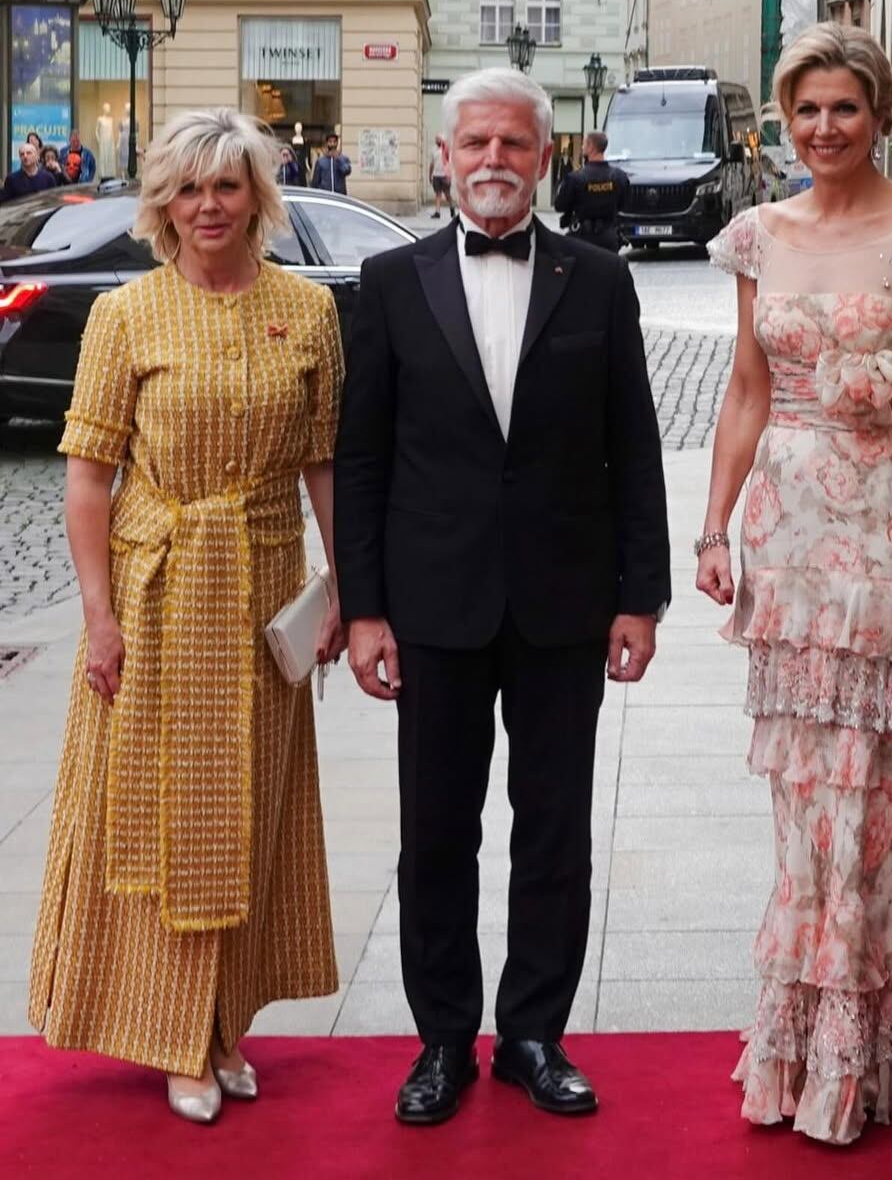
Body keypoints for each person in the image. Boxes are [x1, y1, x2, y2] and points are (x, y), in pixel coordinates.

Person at [335, 66, 670, 1126]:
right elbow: (363, 459)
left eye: (514, 144)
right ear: (445, 156)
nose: (493, 161)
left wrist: (642, 595)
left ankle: (532, 1030)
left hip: (566, 601)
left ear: (545, 156)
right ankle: (442, 1037)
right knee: (436, 830)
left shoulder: (599, 280)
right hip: (432, 603)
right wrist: (364, 608)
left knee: (554, 825)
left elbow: (636, 448)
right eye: (474, 143)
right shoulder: (390, 282)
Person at [699, 23, 892, 1145]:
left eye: (844, 107)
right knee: (803, 790)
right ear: (784, 120)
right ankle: (803, 1036)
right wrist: (713, 526)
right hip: (789, 524)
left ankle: (883, 1047)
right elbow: (743, 387)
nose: (823, 128)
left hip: (891, 523)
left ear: (877, 111)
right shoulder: (754, 235)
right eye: (805, 110)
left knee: (877, 788)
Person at [28, 107, 347, 1125]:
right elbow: (86, 479)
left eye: (226, 184)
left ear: (258, 194)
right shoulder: (126, 314)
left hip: (260, 588)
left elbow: (325, 464)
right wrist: (99, 614)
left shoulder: (308, 309)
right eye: (187, 187)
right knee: (159, 819)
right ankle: (170, 1032)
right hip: (157, 590)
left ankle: (221, 1022)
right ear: (163, 202)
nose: (208, 204)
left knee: (247, 812)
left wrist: (344, 589)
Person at [553, 131, 629, 253]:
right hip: (609, 238)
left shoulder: (575, 178)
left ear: (591, 147)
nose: (582, 147)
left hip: (582, 239)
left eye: (584, 144)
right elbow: (623, 204)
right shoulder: (619, 177)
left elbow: (559, 205)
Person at [428, 134, 451, 218]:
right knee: (438, 194)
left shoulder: (446, 150)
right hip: (436, 175)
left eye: (438, 139)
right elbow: (431, 164)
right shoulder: (433, 150)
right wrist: (430, 175)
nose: (437, 140)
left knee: (447, 194)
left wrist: (449, 175)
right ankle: (437, 212)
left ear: (442, 140)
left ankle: (451, 208)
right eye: (436, 139)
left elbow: (450, 163)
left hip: (445, 175)